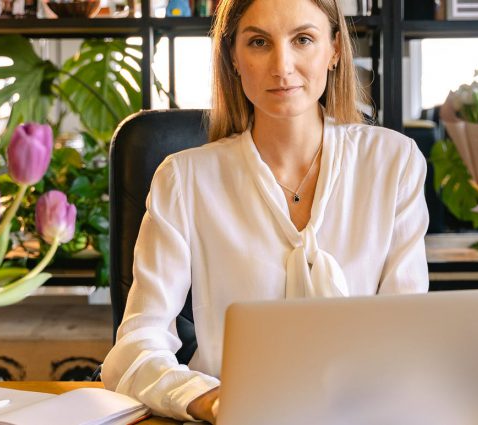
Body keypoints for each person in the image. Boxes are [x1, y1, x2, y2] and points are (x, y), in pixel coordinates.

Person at [101, 0, 430, 422]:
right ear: (234, 58)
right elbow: (135, 346)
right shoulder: (184, 180)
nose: (282, 65)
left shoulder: (393, 162)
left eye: (303, 39)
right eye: (259, 42)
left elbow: (406, 332)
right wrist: (212, 401)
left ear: (334, 51)